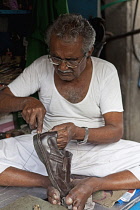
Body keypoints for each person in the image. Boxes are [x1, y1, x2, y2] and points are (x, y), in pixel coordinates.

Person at [0, 13, 140, 210]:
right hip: (46, 153)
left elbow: (116, 130)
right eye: (56, 58)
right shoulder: (42, 65)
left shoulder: (105, 72)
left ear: (89, 51)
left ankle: (92, 183)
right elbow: (2, 99)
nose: (62, 67)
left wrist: (77, 132)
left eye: (71, 60)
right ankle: (48, 182)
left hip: (94, 152)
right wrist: (25, 101)